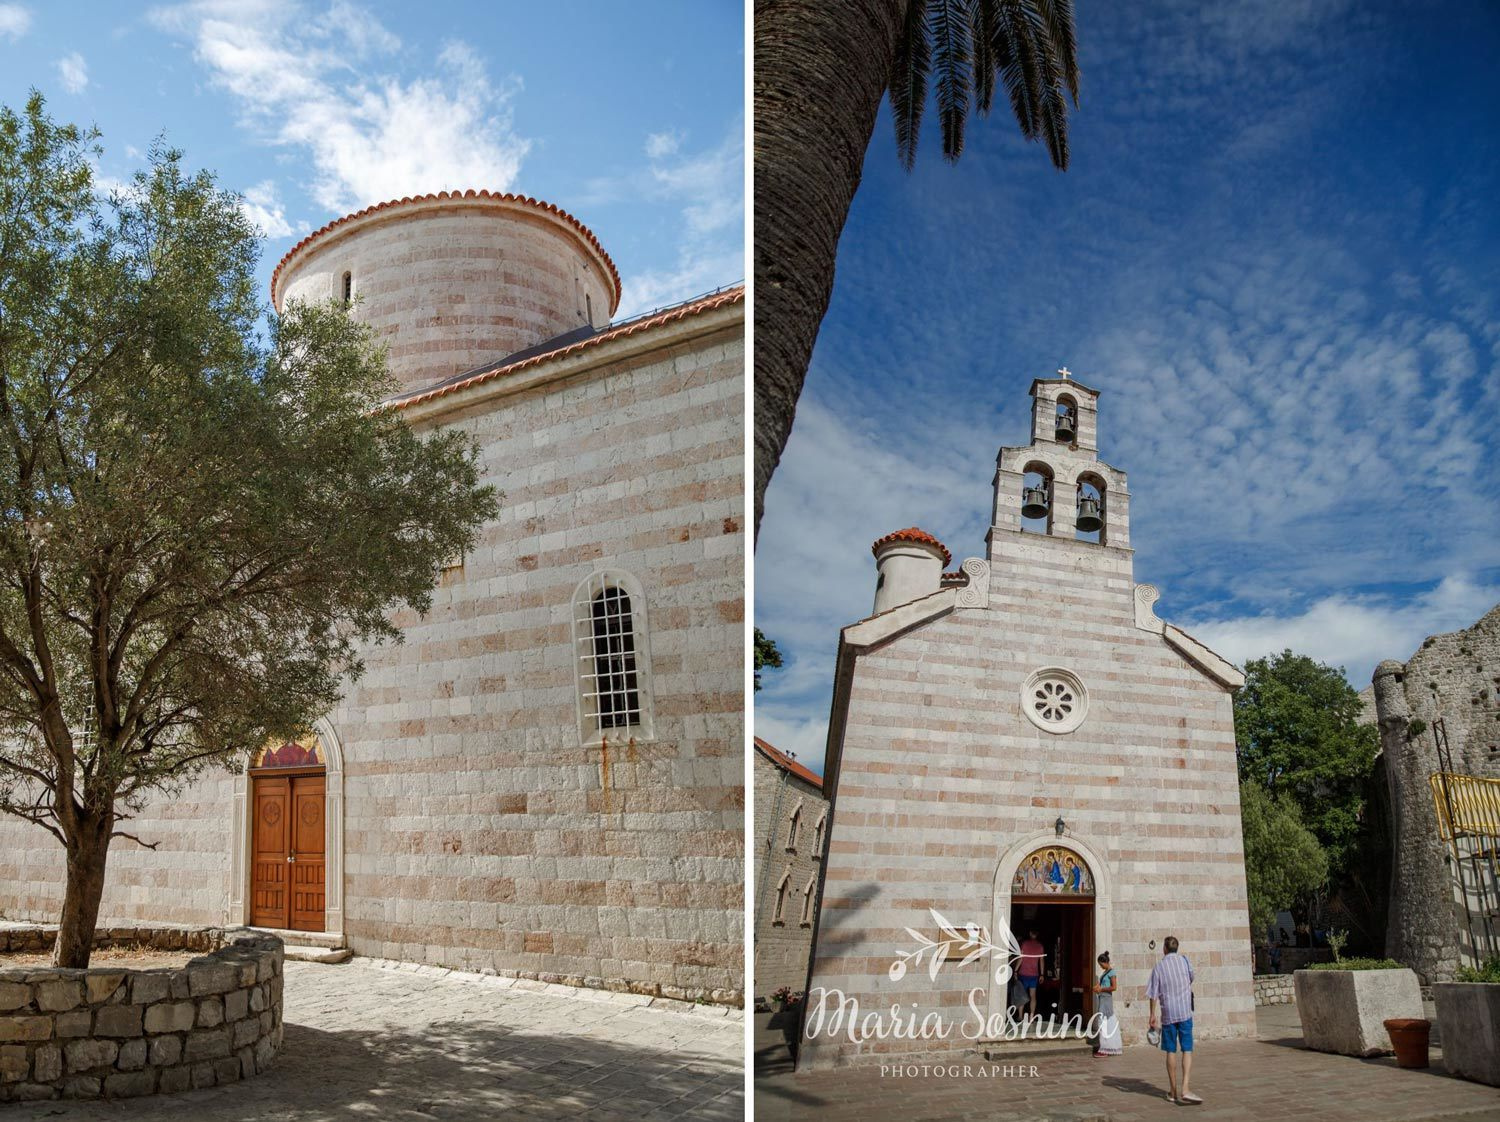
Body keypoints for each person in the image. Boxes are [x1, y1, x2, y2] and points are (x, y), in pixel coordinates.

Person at [1147, 935, 1200, 1105]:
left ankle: (1173, 1091)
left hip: (1168, 1013)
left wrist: (1152, 1014)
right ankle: (1185, 1087)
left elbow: (1153, 993)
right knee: (1187, 1049)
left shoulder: (1159, 967)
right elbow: (1191, 977)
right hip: (1185, 1011)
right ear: (1177, 948)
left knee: (1171, 1050)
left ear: (1164, 949)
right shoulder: (1185, 961)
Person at [1092, 951, 1122, 1056]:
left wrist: (1101, 989)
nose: (1100, 966)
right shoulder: (1105, 973)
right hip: (1103, 999)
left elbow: (1114, 987)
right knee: (1103, 1023)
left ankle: (1105, 1048)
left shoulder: (1112, 973)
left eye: (1101, 964)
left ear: (1105, 962)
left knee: (1104, 1023)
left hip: (1106, 1000)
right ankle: (1105, 1046)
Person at [1017, 929, 1046, 1020]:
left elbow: (1020, 958)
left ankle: (1020, 1016)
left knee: (1022, 994)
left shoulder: (1024, 944)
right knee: (1033, 995)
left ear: (1030, 933)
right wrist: (1042, 974)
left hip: (1023, 973)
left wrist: (1015, 970)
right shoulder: (1040, 946)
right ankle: (1031, 1016)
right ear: (1037, 935)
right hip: (1034, 975)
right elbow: (1041, 960)